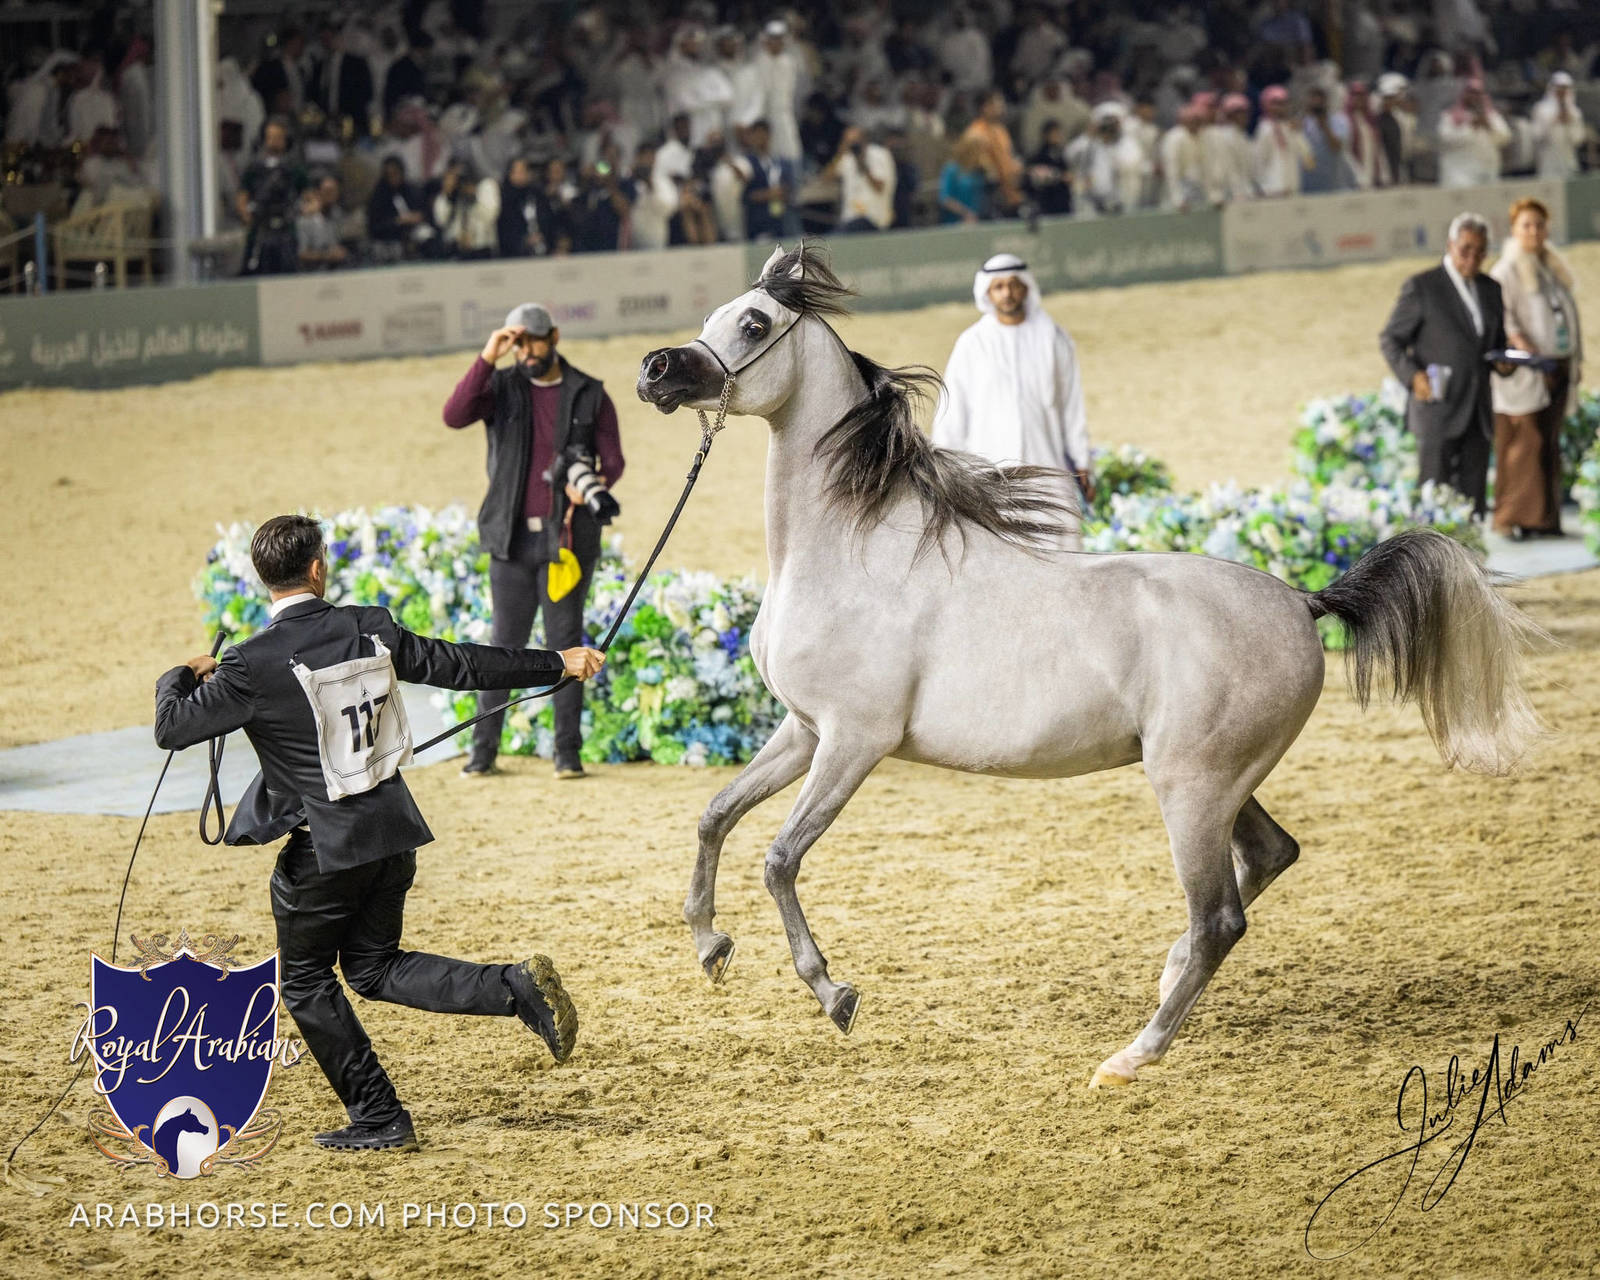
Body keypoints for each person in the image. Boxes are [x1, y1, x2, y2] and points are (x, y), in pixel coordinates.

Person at [153, 514, 601, 1152]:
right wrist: (555, 662)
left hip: (326, 853)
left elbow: (172, 728)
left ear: (266, 579)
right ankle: (514, 988)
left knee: (305, 982)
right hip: (393, 834)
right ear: (317, 569)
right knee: (371, 966)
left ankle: (379, 1115)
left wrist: (186, 672)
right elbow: (461, 665)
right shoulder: (370, 626)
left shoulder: (247, 664)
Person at [443, 304, 625, 778]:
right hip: (508, 538)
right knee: (505, 644)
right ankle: (483, 753)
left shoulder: (591, 392)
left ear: (555, 337)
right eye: (518, 343)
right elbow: (454, 414)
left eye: (534, 341)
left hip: (567, 540)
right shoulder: (501, 385)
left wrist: (590, 482)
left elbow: (614, 461)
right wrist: (488, 356)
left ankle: (567, 754)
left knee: (567, 644)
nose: (526, 351)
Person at [931, 253, 1093, 550]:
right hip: (990, 470)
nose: (1007, 293)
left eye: (1014, 285)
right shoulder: (972, 343)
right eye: (999, 287)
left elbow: (1071, 404)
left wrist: (1082, 460)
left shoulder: (1053, 338)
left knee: (1062, 548)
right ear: (987, 293)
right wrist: (946, 469)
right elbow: (952, 411)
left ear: (1027, 288)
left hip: (1046, 465)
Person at [1379, 212, 1511, 518]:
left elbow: (1495, 346)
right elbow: (1391, 339)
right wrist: (1413, 377)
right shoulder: (1422, 287)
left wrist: (1506, 362)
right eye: (1466, 249)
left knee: (1473, 504)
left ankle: (1473, 565)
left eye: (1480, 251)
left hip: (1477, 413)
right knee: (1433, 500)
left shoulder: (1492, 289)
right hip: (1437, 410)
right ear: (1450, 245)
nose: (1472, 258)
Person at [1490, 197, 1582, 539]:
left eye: (1539, 224)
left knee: (1547, 443)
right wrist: (1522, 346)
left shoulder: (1549, 265)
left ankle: (1543, 520)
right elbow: (1504, 318)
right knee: (1522, 443)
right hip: (1526, 371)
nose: (1534, 231)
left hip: (1556, 366)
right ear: (1514, 229)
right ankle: (1509, 517)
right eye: (1526, 225)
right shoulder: (1506, 270)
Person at [237, 118, 307, 275]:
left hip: (286, 227)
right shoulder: (254, 168)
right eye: (270, 137)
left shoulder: (293, 168)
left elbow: (310, 197)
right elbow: (242, 197)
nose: (274, 142)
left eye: (278, 137)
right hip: (261, 229)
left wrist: (301, 211)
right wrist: (247, 215)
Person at [1437, 79, 1509, 189]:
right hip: (1458, 174)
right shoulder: (1449, 116)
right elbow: (1445, 139)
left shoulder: (1491, 116)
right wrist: (1471, 127)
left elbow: (1505, 137)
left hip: (1487, 171)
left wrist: (1488, 126)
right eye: (1471, 92)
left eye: (1477, 93)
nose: (1474, 96)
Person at [826, 125, 897, 232]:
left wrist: (862, 163)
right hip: (850, 218)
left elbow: (879, 187)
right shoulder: (847, 157)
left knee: (837, 238)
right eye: (848, 141)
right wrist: (840, 152)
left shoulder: (879, 154)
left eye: (855, 141)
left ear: (864, 140)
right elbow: (827, 178)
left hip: (872, 218)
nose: (853, 145)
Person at [1252, 85, 1311, 197]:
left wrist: (1298, 134)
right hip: (1270, 191)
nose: (1280, 107)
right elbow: (1258, 163)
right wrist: (1263, 187)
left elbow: (1309, 162)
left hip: (1293, 188)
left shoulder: (1292, 128)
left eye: (1283, 103)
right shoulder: (1264, 129)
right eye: (1275, 103)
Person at [742, 119, 795, 241]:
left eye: (764, 133)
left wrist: (782, 192)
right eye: (757, 134)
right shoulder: (748, 163)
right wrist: (768, 194)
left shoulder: (779, 162)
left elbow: (789, 188)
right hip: (759, 222)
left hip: (780, 221)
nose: (761, 137)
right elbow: (746, 195)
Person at [1531, 72, 1585, 181]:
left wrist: (1569, 121)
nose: (1562, 92)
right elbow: (1536, 135)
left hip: (1569, 162)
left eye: (1565, 89)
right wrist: (1554, 120)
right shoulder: (1541, 109)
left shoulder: (1575, 112)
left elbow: (1578, 139)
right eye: (1559, 88)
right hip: (1548, 163)